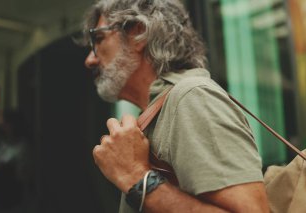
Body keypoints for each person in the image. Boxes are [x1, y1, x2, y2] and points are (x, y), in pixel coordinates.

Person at [83, 0, 269, 212]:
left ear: (138, 33)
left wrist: (136, 177)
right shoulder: (164, 109)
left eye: (98, 39)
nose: (90, 59)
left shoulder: (192, 96)